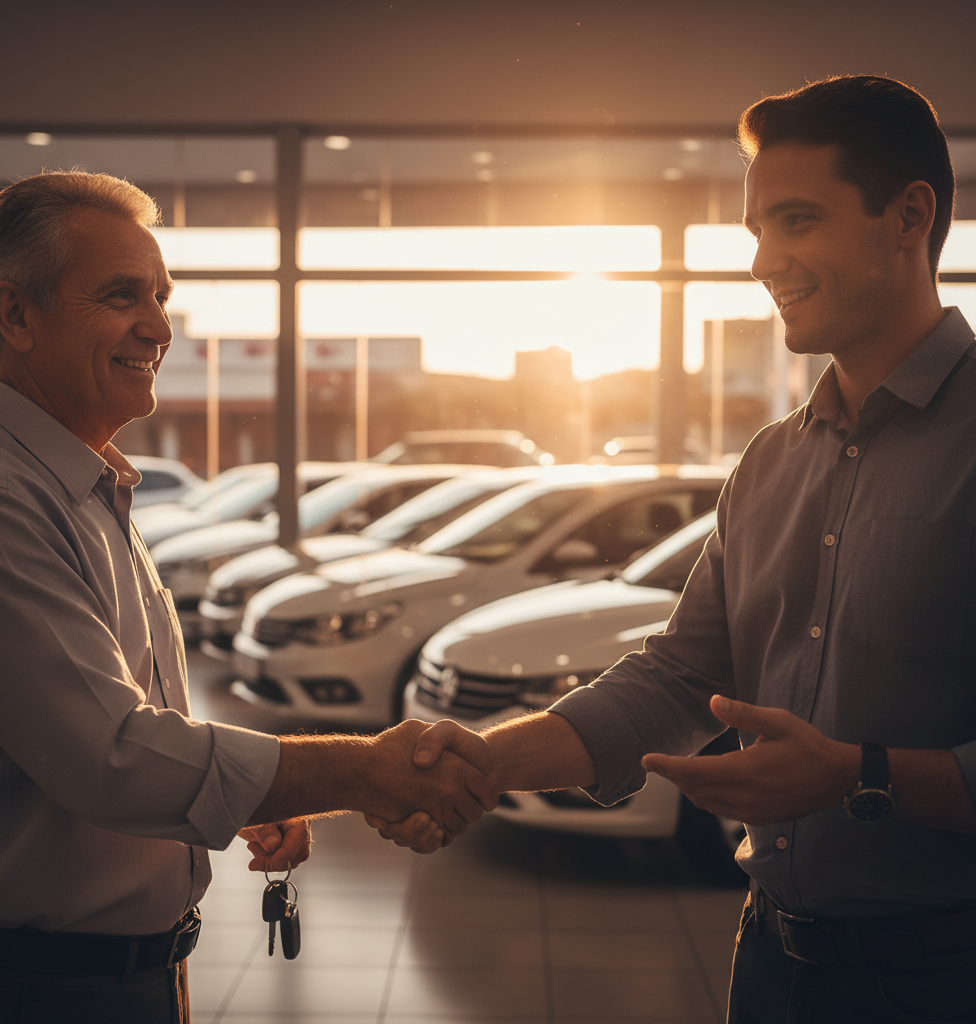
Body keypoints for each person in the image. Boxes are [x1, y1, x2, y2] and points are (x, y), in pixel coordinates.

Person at [372, 76, 976, 1022]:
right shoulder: (772, 462)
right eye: (757, 232)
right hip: (772, 965)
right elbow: (676, 679)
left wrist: (861, 776)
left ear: (909, 217)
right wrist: (479, 764)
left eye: (799, 221)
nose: (765, 261)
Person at [0, 171, 498, 1024]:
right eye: (123, 295)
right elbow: (115, 758)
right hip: (33, 989)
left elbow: (127, 729)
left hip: (121, 974)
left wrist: (258, 794)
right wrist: (360, 771)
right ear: (16, 315)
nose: (160, 328)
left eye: (162, 297)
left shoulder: (86, 488)